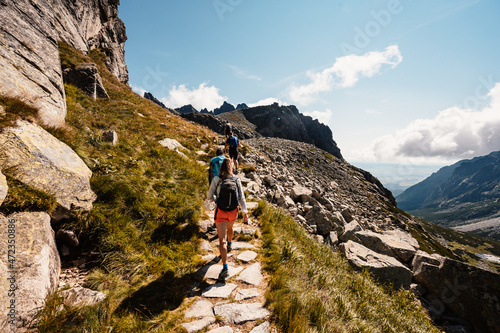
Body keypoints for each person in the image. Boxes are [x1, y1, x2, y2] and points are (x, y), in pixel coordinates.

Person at [207, 158, 248, 280]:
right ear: (231, 167)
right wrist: (245, 212)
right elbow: (241, 198)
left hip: (220, 211)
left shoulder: (216, 179)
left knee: (221, 240)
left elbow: (210, 196)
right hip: (233, 211)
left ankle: (225, 268)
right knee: (230, 228)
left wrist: (216, 199)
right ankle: (230, 244)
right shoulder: (236, 179)